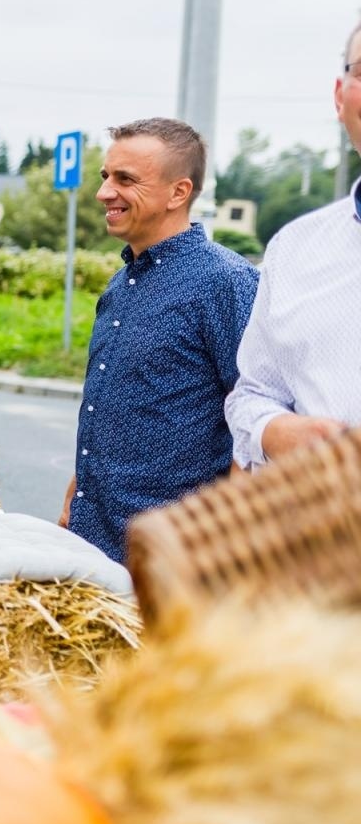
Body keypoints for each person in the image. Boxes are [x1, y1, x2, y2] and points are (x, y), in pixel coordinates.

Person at [58, 118, 259, 561]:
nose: (104, 192)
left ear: (178, 192)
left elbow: (255, 418)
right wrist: (78, 493)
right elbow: (112, 407)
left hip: (177, 555)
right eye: (105, 177)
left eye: (125, 179)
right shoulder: (119, 283)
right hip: (94, 538)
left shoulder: (227, 283)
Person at [224, 18, 361, 467]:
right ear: (340, 97)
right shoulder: (293, 249)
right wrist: (274, 430)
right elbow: (254, 393)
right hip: (315, 533)